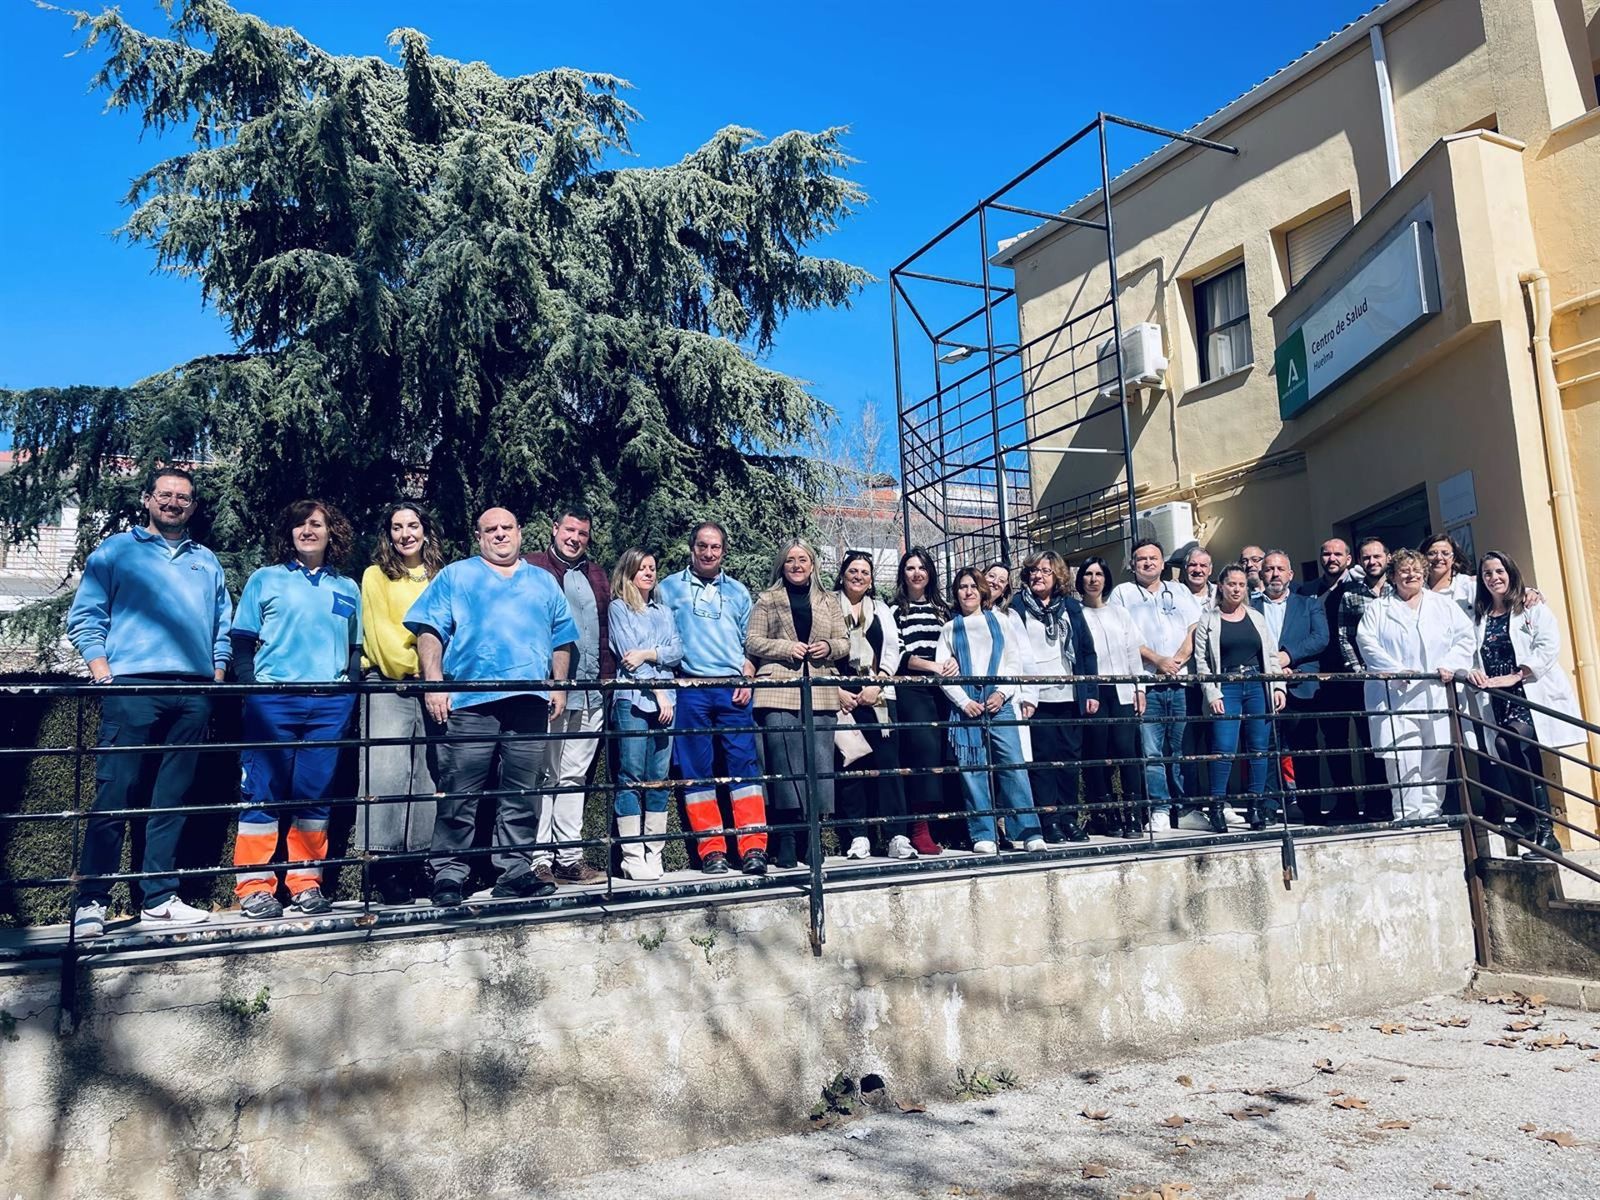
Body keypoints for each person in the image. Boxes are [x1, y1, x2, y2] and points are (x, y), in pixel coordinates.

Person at [66, 467, 233, 937]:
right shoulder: (117, 551)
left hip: (194, 692)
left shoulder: (207, 561)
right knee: (114, 795)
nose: (173, 503)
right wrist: (103, 673)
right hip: (132, 689)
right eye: (165, 495)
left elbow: (223, 621)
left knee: (172, 799)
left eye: (183, 497)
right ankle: (92, 899)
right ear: (148, 499)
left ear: (193, 506)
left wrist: (216, 672)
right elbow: (85, 615)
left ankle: (158, 898)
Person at [406, 508, 580, 906]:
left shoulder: (543, 581)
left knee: (521, 794)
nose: (500, 535)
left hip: (530, 701)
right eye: (491, 530)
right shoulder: (456, 575)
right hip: (470, 702)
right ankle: (449, 873)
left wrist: (560, 686)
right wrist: (433, 684)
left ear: (520, 532)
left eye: (507, 528)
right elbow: (430, 629)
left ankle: (515, 872)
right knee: (459, 793)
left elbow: (561, 636)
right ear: (479, 536)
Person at [231, 499, 363, 919]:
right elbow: (241, 641)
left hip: (329, 704)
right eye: (300, 525)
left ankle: (306, 882)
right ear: (288, 534)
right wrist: (252, 690)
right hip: (273, 702)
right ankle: (254, 886)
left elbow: (356, 649)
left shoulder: (348, 587)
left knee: (314, 797)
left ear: (331, 533)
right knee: (262, 794)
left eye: (317, 524)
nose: (308, 531)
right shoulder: (264, 580)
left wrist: (350, 691)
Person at [656, 521, 769, 876]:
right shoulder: (668, 589)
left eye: (715, 547)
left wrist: (748, 676)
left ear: (723, 551)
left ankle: (752, 847)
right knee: (695, 773)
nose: (708, 553)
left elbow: (750, 644)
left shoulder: (738, 592)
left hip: (732, 688)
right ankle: (712, 850)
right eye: (702, 546)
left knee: (744, 767)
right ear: (692, 548)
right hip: (690, 689)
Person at [1468, 551, 1585, 858]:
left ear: (1511, 572)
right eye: (1488, 574)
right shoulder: (1480, 615)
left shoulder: (1531, 608)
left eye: (1499, 571)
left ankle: (1546, 832)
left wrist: (1517, 675)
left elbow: (1548, 647)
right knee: (1506, 749)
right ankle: (1528, 819)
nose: (1495, 578)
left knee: (1514, 743)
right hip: (1497, 698)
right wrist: (1474, 673)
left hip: (1527, 693)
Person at [358, 502, 447, 905]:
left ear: (425, 531)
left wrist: (435, 676)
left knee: (428, 775)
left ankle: (418, 861)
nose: (406, 533)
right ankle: (384, 865)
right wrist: (411, 666)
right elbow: (381, 633)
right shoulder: (376, 575)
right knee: (388, 771)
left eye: (413, 525)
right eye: (397, 527)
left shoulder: (440, 577)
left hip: (433, 685)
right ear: (388, 534)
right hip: (391, 684)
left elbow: (449, 628)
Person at [746, 539, 848, 869]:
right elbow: (752, 641)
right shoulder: (767, 599)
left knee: (819, 764)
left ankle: (813, 838)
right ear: (782, 565)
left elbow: (845, 642)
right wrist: (785, 648)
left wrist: (827, 646)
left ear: (813, 564)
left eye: (802, 559)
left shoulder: (828, 599)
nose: (796, 565)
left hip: (819, 688)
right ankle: (787, 838)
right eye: (790, 560)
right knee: (783, 762)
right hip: (778, 685)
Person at [525, 508, 612, 885]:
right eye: (569, 530)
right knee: (546, 775)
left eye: (583, 533)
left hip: (591, 690)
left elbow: (606, 629)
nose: (575, 538)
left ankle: (569, 858)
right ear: (555, 529)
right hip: (551, 688)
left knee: (575, 777)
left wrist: (607, 681)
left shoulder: (596, 575)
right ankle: (538, 858)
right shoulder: (533, 568)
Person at [1356, 548, 1475, 821]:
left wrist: (1451, 663)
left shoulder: (1443, 606)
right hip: (1396, 695)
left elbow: (1465, 639)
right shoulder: (1378, 609)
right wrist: (1395, 670)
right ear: (1393, 576)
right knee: (1402, 758)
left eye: (1417, 571)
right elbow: (1367, 643)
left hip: (1435, 691)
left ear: (1424, 574)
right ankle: (1407, 816)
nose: (1411, 575)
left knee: (1436, 754)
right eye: (1404, 571)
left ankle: (1431, 812)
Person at [935, 568, 1044, 855]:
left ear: (983, 591)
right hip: (967, 707)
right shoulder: (950, 629)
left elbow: (1013, 661)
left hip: (1000, 703)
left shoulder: (1000, 621)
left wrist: (1001, 692)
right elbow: (944, 672)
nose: (968, 591)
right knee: (973, 771)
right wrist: (963, 702)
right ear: (955, 593)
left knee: (1013, 767)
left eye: (973, 586)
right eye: (962, 587)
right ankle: (983, 833)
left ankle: (1028, 831)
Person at [1111, 539, 1201, 833]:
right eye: (1141, 559)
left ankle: (1185, 807)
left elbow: (1194, 628)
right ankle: (1160, 808)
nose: (1148, 563)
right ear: (1132, 565)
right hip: (1147, 684)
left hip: (1179, 682)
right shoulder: (1123, 594)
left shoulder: (1179, 590)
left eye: (1153, 558)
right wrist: (1157, 660)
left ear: (1163, 563)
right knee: (1151, 752)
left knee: (1180, 750)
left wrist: (1175, 660)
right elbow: (1122, 636)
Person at [1296, 537, 1386, 823]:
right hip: (1326, 680)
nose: (1332, 558)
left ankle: (1377, 801)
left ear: (1349, 559)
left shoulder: (1362, 588)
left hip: (1363, 677)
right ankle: (1344, 802)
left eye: (1338, 553)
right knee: (1336, 744)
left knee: (1371, 741)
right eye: (1326, 553)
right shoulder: (1306, 591)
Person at [832, 551, 915, 860]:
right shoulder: (828, 605)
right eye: (853, 570)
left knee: (888, 767)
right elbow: (822, 651)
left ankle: (896, 834)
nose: (858, 576)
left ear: (871, 579)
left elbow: (893, 649)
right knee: (852, 766)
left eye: (864, 572)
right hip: (842, 696)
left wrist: (879, 681)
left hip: (879, 697)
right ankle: (858, 836)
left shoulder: (880, 609)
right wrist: (837, 689)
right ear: (842, 574)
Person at [607, 548, 683, 881]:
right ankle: (632, 853)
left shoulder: (664, 612)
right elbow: (627, 658)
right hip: (634, 700)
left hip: (667, 702)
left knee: (658, 778)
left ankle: (655, 850)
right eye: (642, 569)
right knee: (630, 776)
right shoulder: (619, 608)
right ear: (629, 573)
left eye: (653, 568)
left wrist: (649, 652)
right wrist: (658, 690)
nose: (649, 574)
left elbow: (677, 650)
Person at [1011, 550, 1098, 842]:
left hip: (1069, 694)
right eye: (1034, 570)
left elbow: (1086, 649)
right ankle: (1049, 820)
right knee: (1044, 760)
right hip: (1037, 698)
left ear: (1057, 575)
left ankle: (1069, 818)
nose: (1038, 576)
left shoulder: (1070, 607)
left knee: (1070, 759)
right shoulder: (1017, 607)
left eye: (1046, 571)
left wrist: (1091, 690)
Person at [1195, 564, 1289, 831]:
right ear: (1221, 587)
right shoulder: (1208, 619)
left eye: (1241, 585)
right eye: (1231, 584)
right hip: (1227, 686)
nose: (1236, 589)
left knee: (1260, 749)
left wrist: (1278, 686)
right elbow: (1201, 661)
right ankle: (1216, 807)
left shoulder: (1256, 616)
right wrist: (1212, 692)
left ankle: (1256, 807)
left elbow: (1271, 654)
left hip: (1257, 685)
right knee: (1224, 750)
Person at [1075, 556, 1146, 839]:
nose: (1094, 579)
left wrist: (1140, 688)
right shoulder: (1076, 614)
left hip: (1123, 690)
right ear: (1081, 580)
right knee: (1097, 753)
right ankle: (1104, 814)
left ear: (1106, 579)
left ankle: (1132, 814)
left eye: (1099, 574)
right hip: (1094, 691)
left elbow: (1133, 654)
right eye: (1088, 574)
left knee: (1126, 751)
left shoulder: (1120, 613)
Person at [1254, 549, 1329, 816]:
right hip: (1262, 687)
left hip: (1300, 687)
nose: (1275, 574)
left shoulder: (1309, 604)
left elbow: (1320, 638)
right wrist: (1271, 668)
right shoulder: (1250, 607)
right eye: (1269, 569)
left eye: (1280, 569)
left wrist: (1287, 658)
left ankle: (1311, 807)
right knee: (1267, 747)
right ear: (1262, 574)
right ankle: (1270, 806)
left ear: (1290, 574)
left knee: (1305, 747)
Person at [889, 548, 953, 857]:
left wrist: (950, 665)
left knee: (945, 757)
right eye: (910, 568)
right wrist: (932, 666)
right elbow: (898, 653)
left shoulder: (943, 609)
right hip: (913, 689)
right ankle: (919, 829)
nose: (917, 573)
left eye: (922, 567)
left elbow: (955, 645)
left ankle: (947, 826)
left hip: (944, 689)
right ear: (903, 574)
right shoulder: (895, 611)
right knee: (923, 759)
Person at [1178, 544, 1216, 807]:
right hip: (1186, 681)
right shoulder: (1173, 594)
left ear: (1210, 570)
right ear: (1185, 568)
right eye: (1193, 565)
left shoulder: (1221, 593)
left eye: (1203, 566)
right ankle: (1192, 803)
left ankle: (1218, 802)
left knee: (1218, 743)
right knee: (1188, 746)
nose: (1198, 570)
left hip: (1217, 680)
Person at [1338, 537, 1391, 672]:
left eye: (1377, 556)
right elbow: (1345, 638)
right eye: (1366, 558)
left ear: (1388, 558)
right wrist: (1357, 669)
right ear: (1360, 561)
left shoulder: (1400, 589)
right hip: (1370, 670)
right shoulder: (1350, 596)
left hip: (1403, 668)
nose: (1372, 562)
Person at [1421, 533, 1478, 619]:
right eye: (1432, 553)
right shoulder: (1418, 589)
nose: (1439, 558)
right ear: (1424, 557)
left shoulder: (1469, 586)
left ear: (1453, 559)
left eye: (1445, 553)